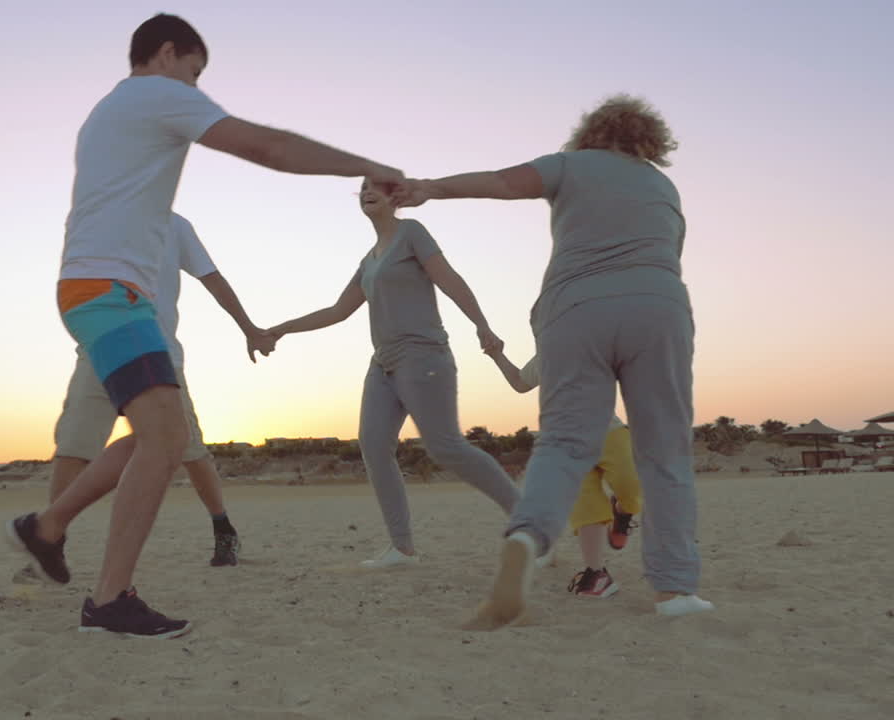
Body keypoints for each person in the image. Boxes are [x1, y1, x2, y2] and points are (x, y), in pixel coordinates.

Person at [6, 13, 404, 639]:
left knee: (154, 438)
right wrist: (369, 164)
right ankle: (108, 600)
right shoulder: (153, 94)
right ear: (167, 54)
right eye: (194, 74)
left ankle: (47, 526)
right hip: (110, 293)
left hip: (102, 291)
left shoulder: (107, 111)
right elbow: (268, 147)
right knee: (165, 444)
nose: (194, 90)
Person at [397, 93, 713, 627]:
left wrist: (432, 188)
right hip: (657, 305)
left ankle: (528, 535)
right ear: (648, 139)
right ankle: (675, 590)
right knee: (664, 452)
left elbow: (502, 182)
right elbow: (669, 252)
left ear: (591, 132)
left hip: (573, 309)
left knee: (565, 443)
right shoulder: (664, 186)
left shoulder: (569, 165)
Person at [266, 180, 519, 567]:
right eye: (363, 188)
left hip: (423, 355)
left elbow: (448, 278)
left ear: (394, 198)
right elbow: (337, 311)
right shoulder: (369, 260)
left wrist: (481, 324)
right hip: (382, 363)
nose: (368, 192)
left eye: (377, 188)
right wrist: (282, 328)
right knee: (373, 444)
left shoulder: (411, 233)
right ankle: (402, 548)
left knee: (446, 446)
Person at [30, 212, 259, 574]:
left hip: (158, 349)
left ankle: (222, 527)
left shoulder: (175, 225)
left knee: (191, 451)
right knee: (74, 445)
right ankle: (49, 542)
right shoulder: (91, 215)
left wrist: (249, 327)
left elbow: (212, 278)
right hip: (101, 345)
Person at [487, 350, 641, 598]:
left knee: (631, 487)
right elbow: (518, 382)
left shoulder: (597, 343)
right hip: (567, 441)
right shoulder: (543, 357)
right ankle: (596, 573)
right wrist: (497, 356)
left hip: (609, 432)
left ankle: (622, 512)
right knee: (586, 507)